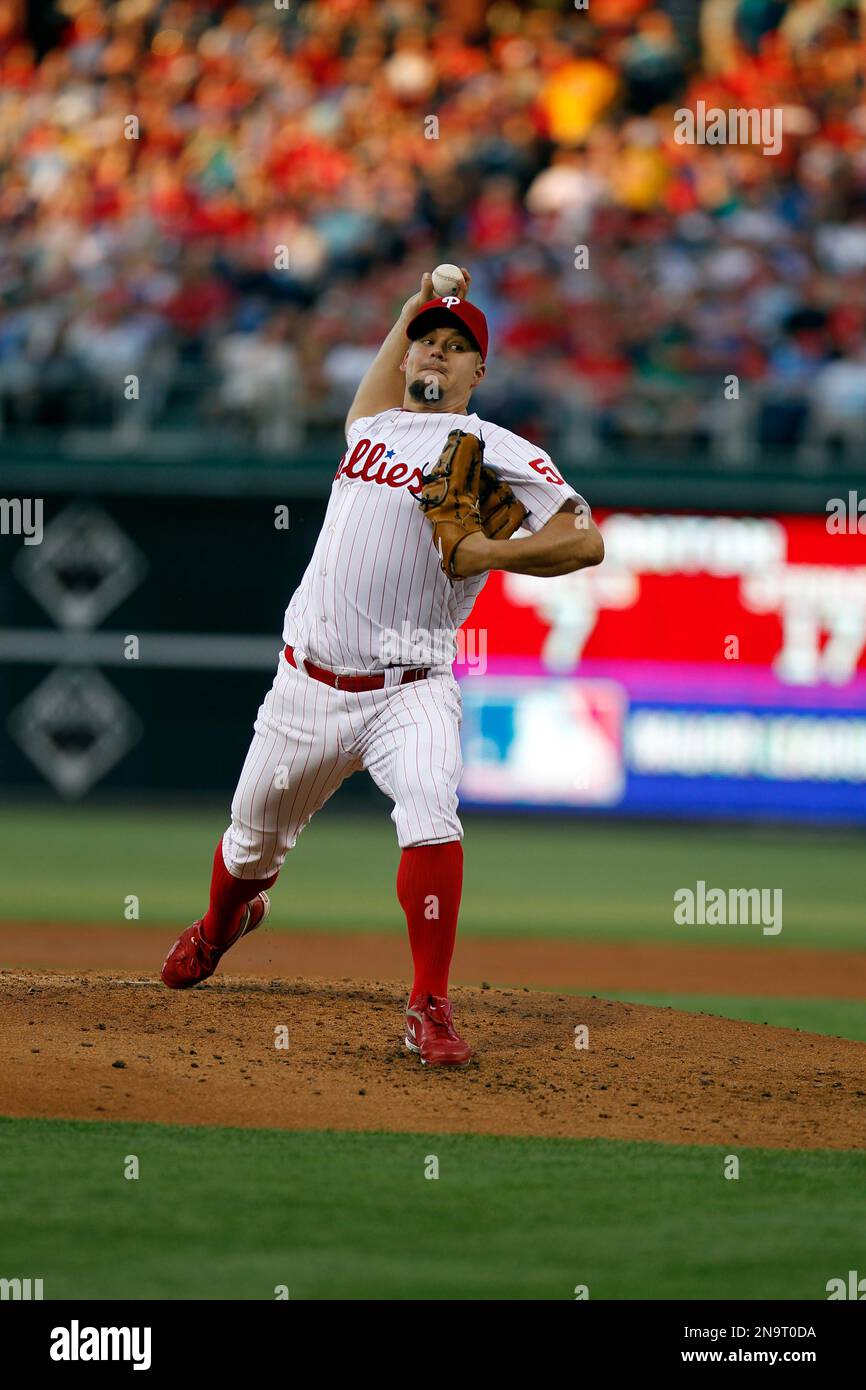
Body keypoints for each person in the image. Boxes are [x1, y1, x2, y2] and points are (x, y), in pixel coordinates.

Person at [160, 269, 604, 1066]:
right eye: (427, 342)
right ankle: (221, 927)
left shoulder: (497, 449)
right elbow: (383, 376)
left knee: (432, 811)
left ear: (478, 373)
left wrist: (490, 552)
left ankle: (428, 1006)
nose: (437, 352)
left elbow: (584, 539)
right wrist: (412, 308)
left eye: (456, 347)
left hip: (413, 687)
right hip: (306, 685)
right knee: (249, 849)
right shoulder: (372, 428)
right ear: (405, 357)